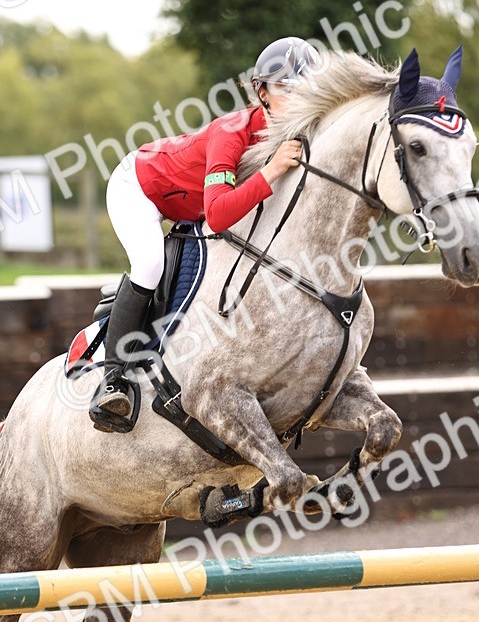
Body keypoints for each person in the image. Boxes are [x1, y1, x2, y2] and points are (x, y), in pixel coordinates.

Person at [89, 35, 319, 431]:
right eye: (285, 88)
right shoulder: (232, 132)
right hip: (139, 187)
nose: (297, 98)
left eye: (305, 88)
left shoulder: (300, 132)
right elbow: (218, 215)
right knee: (149, 265)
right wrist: (272, 171)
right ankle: (113, 380)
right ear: (262, 92)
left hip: (187, 204)